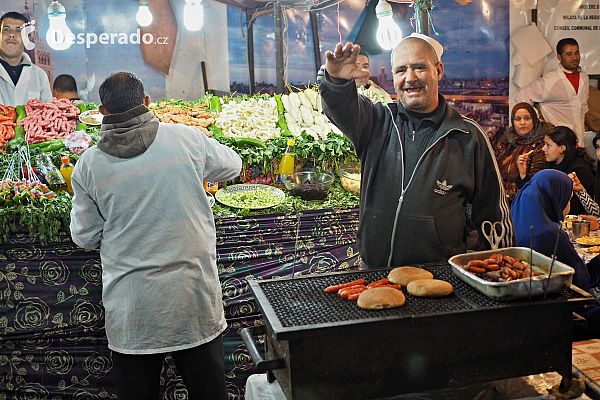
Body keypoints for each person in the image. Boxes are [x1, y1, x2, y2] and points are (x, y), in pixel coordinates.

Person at [70, 72, 241, 400]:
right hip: (193, 301)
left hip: (133, 313)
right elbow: (232, 166)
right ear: (147, 103)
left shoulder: (88, 166)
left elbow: (85, 237)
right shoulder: (187, 139)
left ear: (102, 113)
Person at [317, 35, 514, 269]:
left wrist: (504, 272)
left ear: (438, 70)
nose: (410, 78)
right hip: (375, 276)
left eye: (419, 67)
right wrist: (336, 82)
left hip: (440, 281)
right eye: (401, 70)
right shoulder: (376, 121)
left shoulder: (467, 136)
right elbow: (341, 107)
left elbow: (493, 214)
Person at [510, 169, 599, 293]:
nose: (569, 205)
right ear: (555, 200)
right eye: (569, 199)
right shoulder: (552, 235)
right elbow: (580, 281)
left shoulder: (510, 222)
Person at [514, 38, 589, 147]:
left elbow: (583, 107)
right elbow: (521, 96)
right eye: (569, 54)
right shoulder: (550, 81)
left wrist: (594, 127)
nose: (574, 57)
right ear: (559, 57)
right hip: (558, 143)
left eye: (576, 53)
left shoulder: (584, 78)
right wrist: (540, 124)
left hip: (579, 140)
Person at [518, 126, 596, 216]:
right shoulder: (552, 164)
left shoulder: (578, 169)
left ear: (562, 148)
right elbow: (536, 193)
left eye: (548, 145)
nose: (543, 149)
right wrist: (523, 173)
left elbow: (573, 208)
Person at [491, 102, 549, 202]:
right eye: (518, 119)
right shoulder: (505, 140)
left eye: (527, 118)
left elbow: (535, 182)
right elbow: (493, 170)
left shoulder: (541, 144)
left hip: (525, 200)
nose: (522, 123)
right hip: (500, 200)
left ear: (534, 120)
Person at [0, 12, 51, 107]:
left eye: (18, 30)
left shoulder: (40, 76)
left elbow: (47, 113)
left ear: (27, 38)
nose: (11, 34)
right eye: (6, 29)